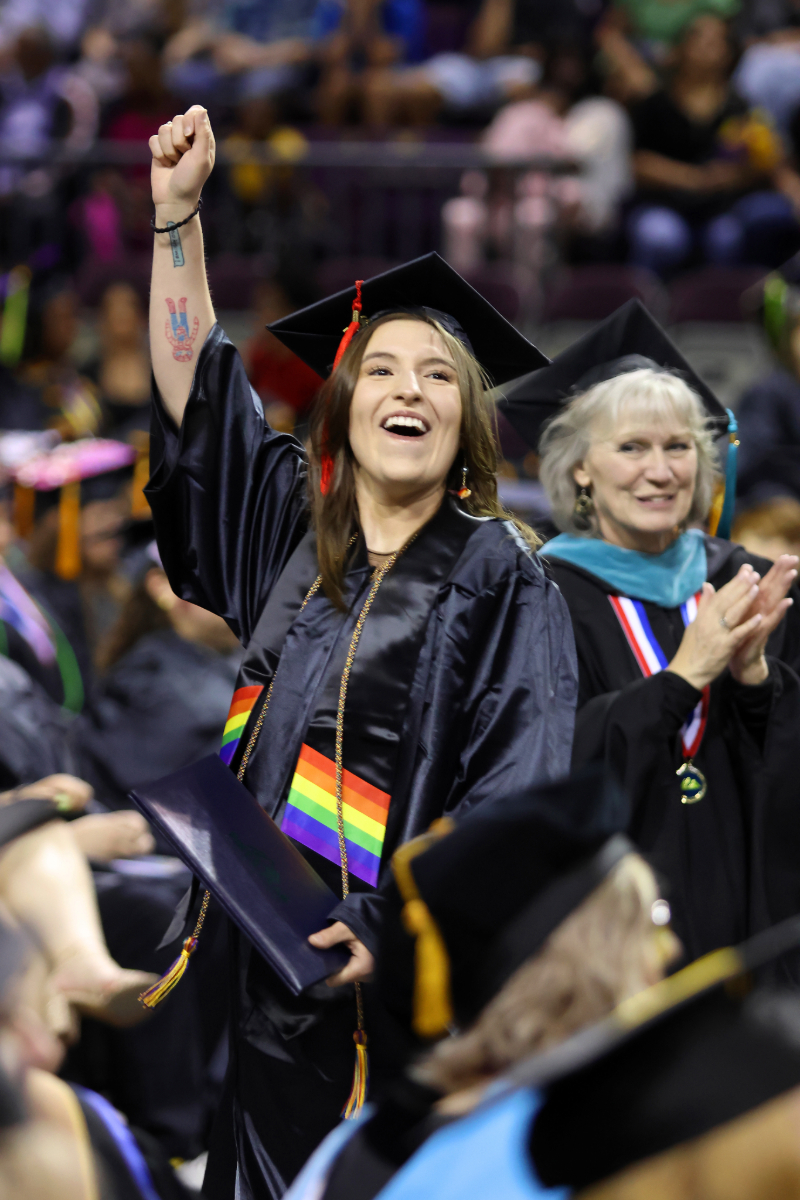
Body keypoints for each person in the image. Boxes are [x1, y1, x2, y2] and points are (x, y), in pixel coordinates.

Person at [145, 105, 575, 1198]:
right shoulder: (293, 533)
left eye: (437, 375)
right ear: (345, 400)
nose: (408, 391)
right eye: (382, 370)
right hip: (267, 977)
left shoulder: (501, 574)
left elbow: (519, 789)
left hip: (402, 997)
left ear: (466, 419)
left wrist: (400, 924)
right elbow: (200, 407)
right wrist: (177, 222)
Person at [500, 298, 800, 968]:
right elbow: (544, 768)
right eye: (631, 447)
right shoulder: (542, 598)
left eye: (678, 447)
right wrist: (680, 681)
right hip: (614, 925)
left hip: (756, 919)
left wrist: (758, 684)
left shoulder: (747, 584)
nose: (660, 472)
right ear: (581, 466)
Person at [284, 766, 679, 1200]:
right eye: (654, 920)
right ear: (586, 966)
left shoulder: (363, 1144)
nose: (672, 949)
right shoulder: (575, 1165)